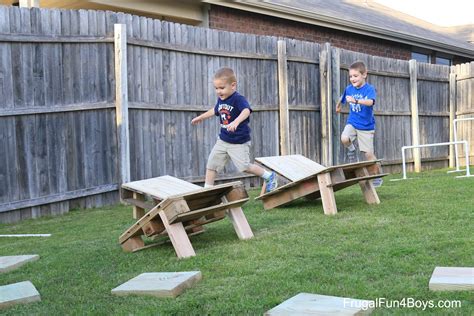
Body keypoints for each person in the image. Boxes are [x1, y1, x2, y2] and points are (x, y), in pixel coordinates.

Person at [191, 67, 278, 192]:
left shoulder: (238, 99)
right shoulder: (221, 100)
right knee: (211, 164)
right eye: (216, 88)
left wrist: (236, 121)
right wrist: (201, 117)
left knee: (244, 166)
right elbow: (215, 110)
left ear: (233, 85)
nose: (218, 91)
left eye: (221, 88)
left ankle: (269, 176)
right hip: (223, 140)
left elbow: (246, 110)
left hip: (238, 142)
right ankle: (206, 191)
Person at [336, 61, 382, 187]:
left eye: (355, 76)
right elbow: (343, 97)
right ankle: (352, 151)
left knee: (368, 154)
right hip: (353, 122)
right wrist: (338, 105)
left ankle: (377, 175)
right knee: (344, 138)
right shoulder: (349, 89)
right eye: (350, 76)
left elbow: (370, 102)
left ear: (364, 75)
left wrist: (356, 100)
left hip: (366, 127)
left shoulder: (369, 89)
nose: (352, 79)